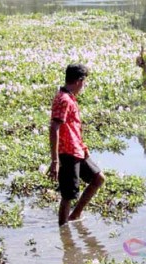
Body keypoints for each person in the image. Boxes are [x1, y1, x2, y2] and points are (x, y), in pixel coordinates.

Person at [48, 64, 105, 226]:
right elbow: (54, 128)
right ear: (80, 81)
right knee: (68, 195)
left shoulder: (69, 97)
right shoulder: (63, 100)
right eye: (84, 81)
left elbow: (72, 128)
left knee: (98, 178)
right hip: (67, 153)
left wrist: (83, 148)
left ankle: (75, 215)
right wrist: (55, 161)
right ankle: (63, 230)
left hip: (77, 150)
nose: (84, 85)